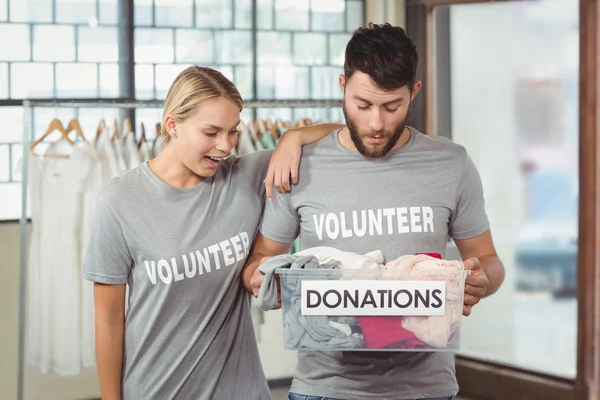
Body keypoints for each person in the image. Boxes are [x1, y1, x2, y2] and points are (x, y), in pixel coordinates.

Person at [243, 23, 506, 400]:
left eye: (391, 106)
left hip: (425, 390)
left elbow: (488, 261)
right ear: (342, 87)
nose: (376, 124)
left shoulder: (451, 164)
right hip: (324, 389)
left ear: (413, 91)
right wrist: (267, 280)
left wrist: (481, 281)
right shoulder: (299, 165)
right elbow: (261, 260)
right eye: (362, 105)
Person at [82, 65, 342, 400]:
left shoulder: (246, 176)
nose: (225, 146)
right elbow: (108, 320)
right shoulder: (119, 202)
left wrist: (293, 137)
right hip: (156, 390)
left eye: (233, 131)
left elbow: (345, 137)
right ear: (172, 124)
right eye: (211, 132)